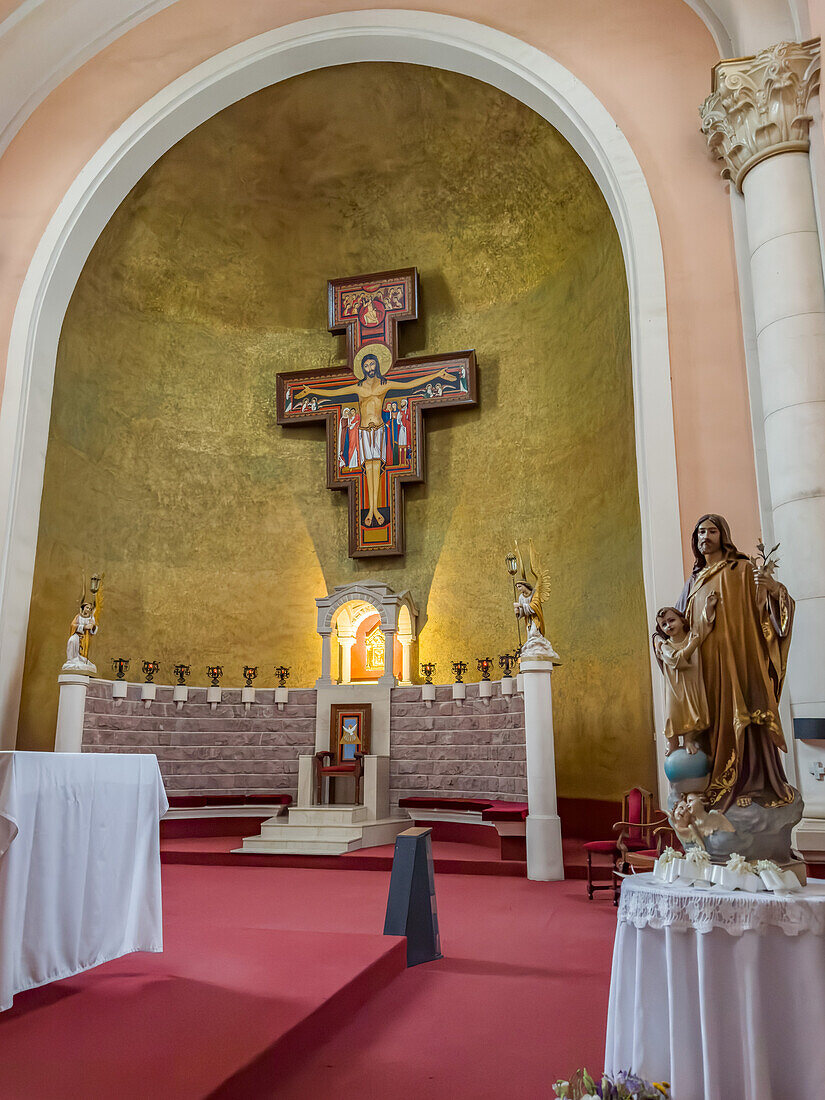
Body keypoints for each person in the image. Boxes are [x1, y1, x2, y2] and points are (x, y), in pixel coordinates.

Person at [676, 514, 794, 811]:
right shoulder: (694, 581)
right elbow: (674, 623)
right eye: (700, 531)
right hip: (706, 668)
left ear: (723, 535)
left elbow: (769, 614)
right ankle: (708, 785)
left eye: (712, 531)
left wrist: (773, 590)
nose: (705, 536)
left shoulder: (741, 569)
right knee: (710, 722)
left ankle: (751, 784)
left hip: (740, 661)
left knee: (744, 713)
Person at [295, 347, 452, 527]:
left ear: (377, 365)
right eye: (366, 365)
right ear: (363, 368)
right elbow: (333, 393)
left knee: (376, 469)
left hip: (378, 429)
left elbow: (410, 385)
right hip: (363, 431)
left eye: (372, 364)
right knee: (368, 469)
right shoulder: (358, 387)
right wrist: (311, 390)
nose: (369, 368)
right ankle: (371, 509)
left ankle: (375, 509)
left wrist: (436, 375)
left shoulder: (385, 384)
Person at [653, 597, 718, 756]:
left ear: (682, 621)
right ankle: (672, 743)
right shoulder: (665, 647)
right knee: (672, 716)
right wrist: (692, 646)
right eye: (664, 624)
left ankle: (689, 739)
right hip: (674, 691)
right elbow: (676, 660)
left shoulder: (692, 636)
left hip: (691, 686)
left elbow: (704, 625)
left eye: (671, 620)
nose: (668, 626)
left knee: (692, 713)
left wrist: (709, 607)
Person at [66, 601, 97, 665]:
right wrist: (83, 627)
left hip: (86, 636)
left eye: (90, 609)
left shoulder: (91, 618)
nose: (88, 610)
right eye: (87, 608)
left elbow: (93, 630)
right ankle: (70, 659)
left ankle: (82, 661)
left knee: (84, 650)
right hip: (77, 634)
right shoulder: (78, 616)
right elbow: (73, 625)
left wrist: (93, 626)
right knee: (71, 641)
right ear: (83, 608)